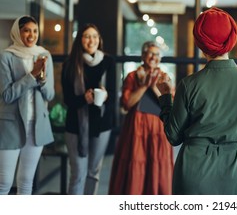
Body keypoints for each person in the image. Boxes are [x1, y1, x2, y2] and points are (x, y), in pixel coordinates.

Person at [156, 7, 237, 195]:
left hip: (193, 173)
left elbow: (174, 137)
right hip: (233, 173)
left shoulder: (188, 84)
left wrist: (166, 97)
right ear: (232, 39)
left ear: (200, 43)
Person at [109, 41, 173, 195]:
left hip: (158, 129)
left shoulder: (164, 77)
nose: (153, 57)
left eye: (157, 54)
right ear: (144, 56)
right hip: (136, 129)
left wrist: (152, 86)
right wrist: (143, 85)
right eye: (150, 53)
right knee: (136, 165)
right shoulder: (132, 76)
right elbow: (126, 103)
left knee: (157, 165)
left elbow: (170, 103)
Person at [0, 15, 54, 195]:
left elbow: (50, 94)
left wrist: (43, 79)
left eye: (35, 31)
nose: (31, 35)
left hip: (37, 125)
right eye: (26, 30)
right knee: (4, 182)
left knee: (26, 182)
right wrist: (32, 76)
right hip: (11, 125)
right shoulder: (6, 56)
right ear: (18, 32)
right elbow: (7, 95)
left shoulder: (44, 55)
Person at [61, 23, 115, 195]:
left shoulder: (108, 62)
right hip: (76, 126)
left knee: (93, 173)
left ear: (99, 40)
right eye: (86, 36)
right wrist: (83, 98)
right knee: (77, 174)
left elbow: (114, 95)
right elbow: (67, 100)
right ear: (80, 40)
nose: (91, 40)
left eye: (94, 36)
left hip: (101, 125)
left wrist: (105, 96)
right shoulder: (70, 63)